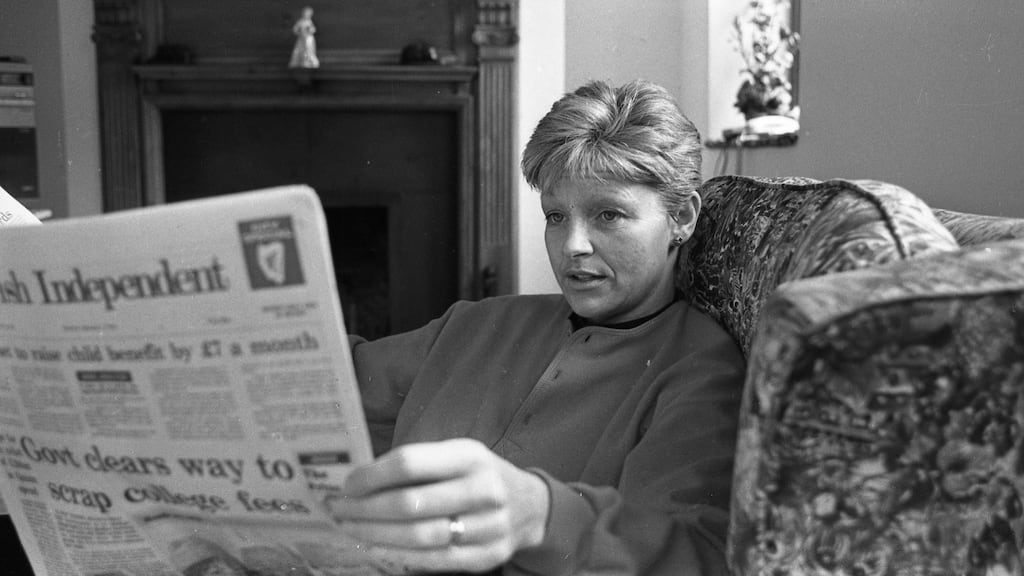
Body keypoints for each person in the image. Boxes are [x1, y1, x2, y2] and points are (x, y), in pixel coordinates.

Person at [328, 80, 746, 575]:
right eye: (555, 216)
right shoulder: (480, 322)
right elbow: (331, 384)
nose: (573, 245)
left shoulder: (702, 369)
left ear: (682, 217)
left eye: (607, 214)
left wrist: (540, 516)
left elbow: (694, 553)